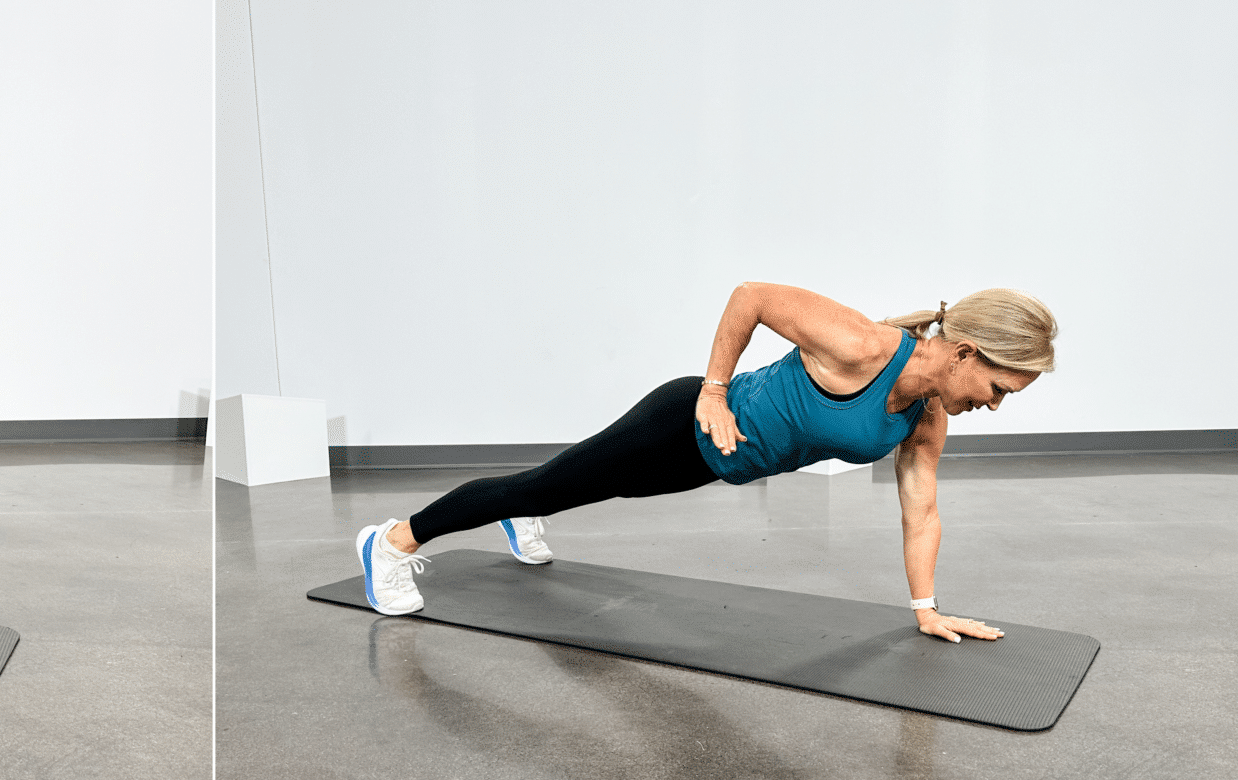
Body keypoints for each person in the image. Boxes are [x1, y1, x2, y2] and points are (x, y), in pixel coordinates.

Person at [355, 282, 1058, 645]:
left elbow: (922, 507)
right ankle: (391, 541)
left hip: (714, 463)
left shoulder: (927, 417)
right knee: (539, 484)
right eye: (999, 390)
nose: (995, 406)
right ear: (966, 354)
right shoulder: (864, 347)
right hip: (680, 425)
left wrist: (926, 609)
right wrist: (715, 393)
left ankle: (534, 510)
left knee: (590, 491)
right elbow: (750, 296)